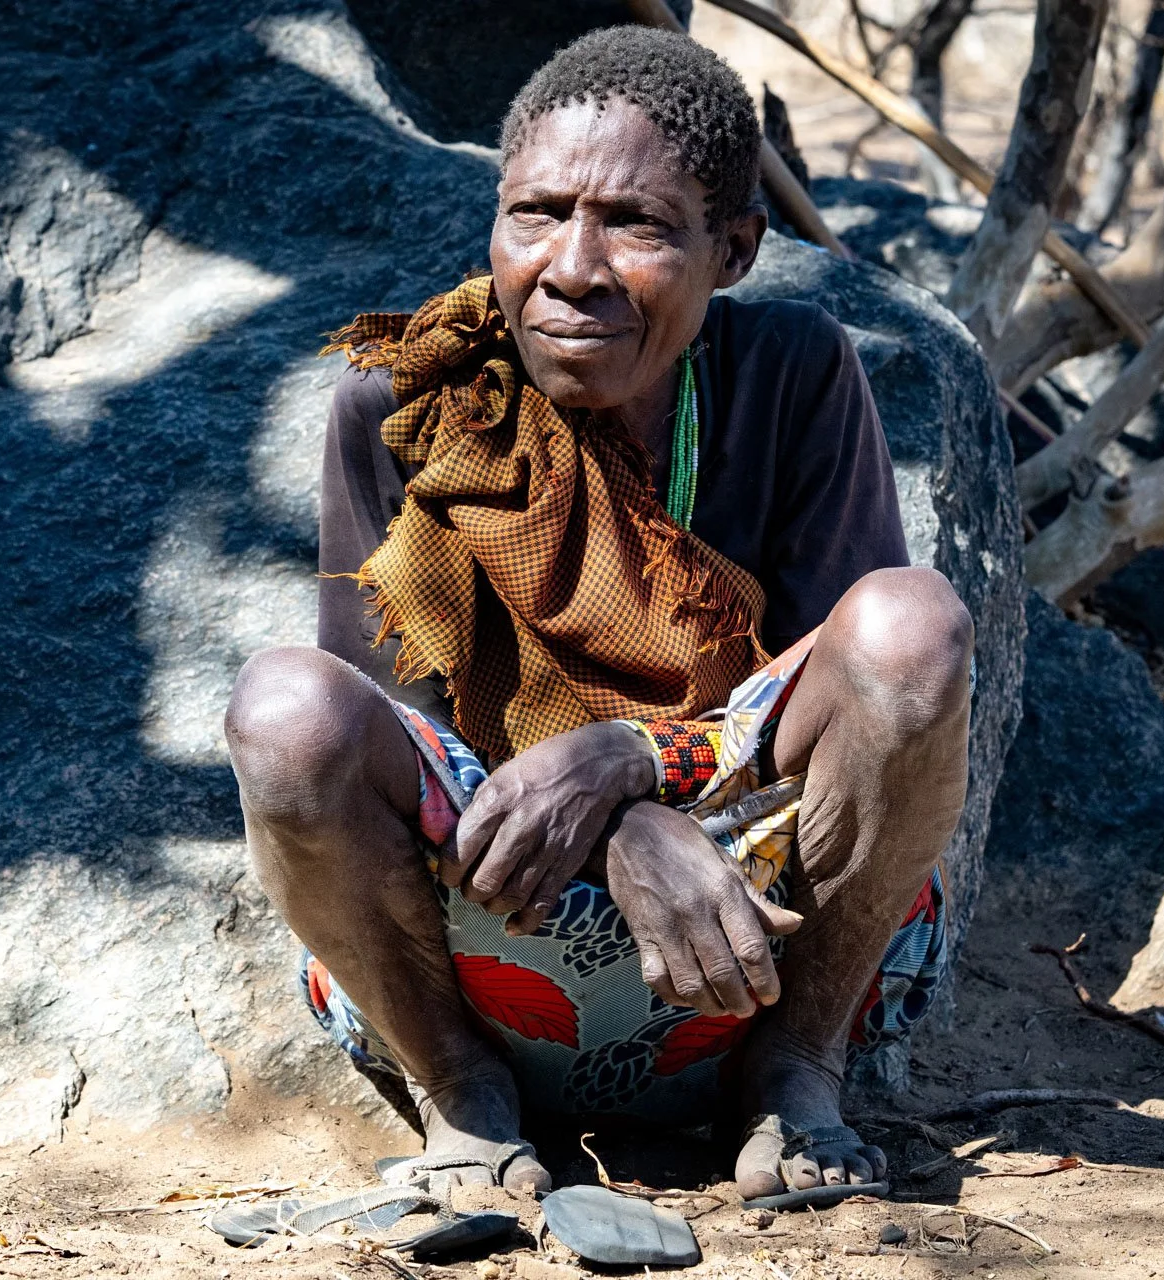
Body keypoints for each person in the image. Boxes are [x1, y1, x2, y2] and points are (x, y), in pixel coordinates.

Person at [225, 24, 971, 1202]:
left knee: (913, 625)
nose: (571, 266)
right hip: (480, 951)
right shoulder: (405, 402)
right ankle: (462, 1101)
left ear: (732, 250)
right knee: (283, 711)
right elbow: (402, 744)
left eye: (636, 224)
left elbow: (840, 712)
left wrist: (634, 763)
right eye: (536, 212)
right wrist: (617, 826)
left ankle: (798, 1077)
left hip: (753, 940)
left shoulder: (795, 376)